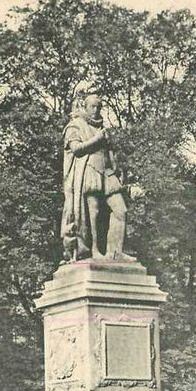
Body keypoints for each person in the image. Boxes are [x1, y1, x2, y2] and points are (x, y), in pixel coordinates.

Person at [61, 91, 134, 262]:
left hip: (107, 172)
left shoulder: (102, 128)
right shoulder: (75, 126)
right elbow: (76, 149)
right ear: (85, 107)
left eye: (99, 107)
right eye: (93, 106)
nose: (96, 110)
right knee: (91, 213)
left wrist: (116, 168)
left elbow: (109, 153)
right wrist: (97, 139)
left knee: (120, 210)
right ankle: (93, 251)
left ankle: (115, 252)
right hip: (89, 170)